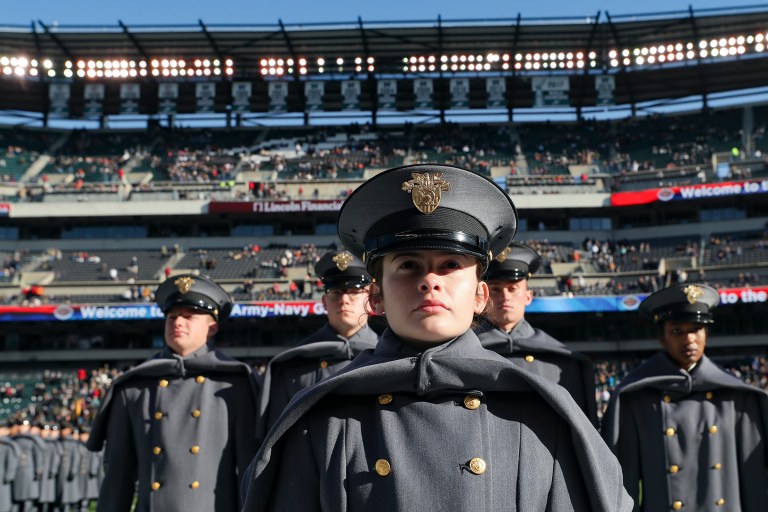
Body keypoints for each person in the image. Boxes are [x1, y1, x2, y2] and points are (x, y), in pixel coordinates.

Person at [243, 163, 631, 510]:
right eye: (408, 265)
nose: (429, 281)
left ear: (481, 295)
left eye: (450, 265)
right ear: (376, 296)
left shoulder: (543, 412)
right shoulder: (320, 419)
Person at [87, 274, 261, 512]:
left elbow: (250, 474)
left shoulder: (236, 385)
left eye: (188, 316)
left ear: (212, 328)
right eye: (171, 317)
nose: (177, 322)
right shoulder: (133, 387)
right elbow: (118, 480)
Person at [602, 283, 768, 511]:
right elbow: (623, 486)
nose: (689, 339)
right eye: (677, 331)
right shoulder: (634, 399)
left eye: (696, 329)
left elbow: (755, 483)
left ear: (706, 334)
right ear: (662, 337)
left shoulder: (738, 398)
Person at [257, 250, 377, 439]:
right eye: (335, 292)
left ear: (371, 300)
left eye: (354, 292)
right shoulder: (293, 365)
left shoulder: (390, 357)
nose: (344, 300)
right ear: (324, 302)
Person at [475, 242, 598, 425]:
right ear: (484, 296)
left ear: (528, 296)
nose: (505, 296)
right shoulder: (462, 352)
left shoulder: (564, 363)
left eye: (513, 288)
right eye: (496, 289)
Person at [0, 424, 19, 512]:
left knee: (3, 502)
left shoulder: (9, 445)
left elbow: (11, 463)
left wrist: (9, 476)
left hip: (3, 478)